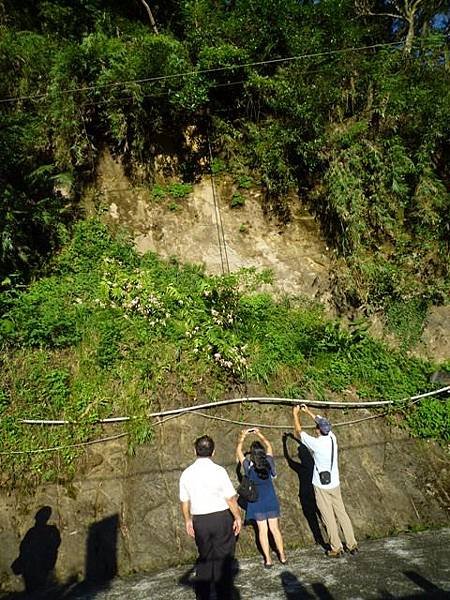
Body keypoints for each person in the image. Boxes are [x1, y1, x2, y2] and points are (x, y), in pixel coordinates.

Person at [179, 435, 241, 600]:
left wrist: (187, 520)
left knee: (205, 556)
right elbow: (230, 498)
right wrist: (238, 517)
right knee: (224, 556)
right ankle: (223, 593)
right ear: (213, 452)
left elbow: (184, 501)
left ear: (195, 451)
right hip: (221, 517)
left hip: (200, 519)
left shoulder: (186, 473)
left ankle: (203, 594)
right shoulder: (219, 471)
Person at [292, 404, 358, 557]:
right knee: (342, 513)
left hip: (321, 486)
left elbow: (298, 431)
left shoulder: (316, 443)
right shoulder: (332, 438)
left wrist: (296, 414)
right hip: (335, 483)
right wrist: (308, 411)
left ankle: (336, 547)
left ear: (318, 430)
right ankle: (352, 544)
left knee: (328, 516)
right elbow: (321, 420)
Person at [236, 428, 286, 568]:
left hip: (257, 502)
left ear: (252, 455)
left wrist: (243, 436)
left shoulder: (248, 467)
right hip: (270, 500)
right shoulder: (269, 462)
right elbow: (269, 446)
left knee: (262, 531)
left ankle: (268, 560)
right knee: (275, 529)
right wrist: (259, 434)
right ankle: (282, 556)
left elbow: (239, 452)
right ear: (263, 453)